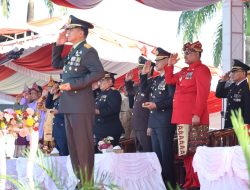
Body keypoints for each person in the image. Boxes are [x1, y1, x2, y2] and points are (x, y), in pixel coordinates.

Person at [52, 15, 104, 184]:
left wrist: (73, 85)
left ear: (81, 32)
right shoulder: (74, 50)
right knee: (74, 147)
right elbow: (56, 63)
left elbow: (98, 73)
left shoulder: (88, 50)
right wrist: (59, 45)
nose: (67, 32)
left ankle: (88, 183)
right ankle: (81, 181)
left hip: (80, 105)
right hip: (69, 105)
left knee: (83, 146)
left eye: (70, 29)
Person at [164, 41, 211, 189]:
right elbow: (169, 80)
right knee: (185, 152)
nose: (185, 55)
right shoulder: (184, 71)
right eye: (185, 52)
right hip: (181, 118)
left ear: (197, 54)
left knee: (195, 151)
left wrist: (197, 114)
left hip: (194, 118)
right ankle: (190, 181)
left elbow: (202, 94)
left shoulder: (202, 70)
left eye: (189, 52)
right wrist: (170, 65)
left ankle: (197, 182)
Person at [140, 48, 176, 188]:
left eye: (158, 60)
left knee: (166, 157)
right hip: (155, 121)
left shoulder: (170, 78)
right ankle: (160, 185)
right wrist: (144, 74)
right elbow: (143, 90)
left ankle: (169, 186)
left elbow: (172, 100)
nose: (155, 63)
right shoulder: (156, 79)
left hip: (165, 121)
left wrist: (157, 105)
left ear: (167, 60)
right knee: (157, 158)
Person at [124, 64, 152, 152]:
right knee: (139, 151)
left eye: (142, 68)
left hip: (145, 124)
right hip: (137, 124)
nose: (140, 71)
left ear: (150, 68)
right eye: (139, 69)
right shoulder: (140, 84)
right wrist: (128, 81)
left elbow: (144, 91)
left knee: (148, 151)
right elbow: (131, 91)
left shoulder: (152, 83)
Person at [93, 72, 124, 150]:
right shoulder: (100, 94)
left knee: (109, 152)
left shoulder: (114, 93)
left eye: (102, 81)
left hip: (109, 131)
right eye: (99, 81)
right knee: (102, 154)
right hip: (100, 130)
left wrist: (98, 111)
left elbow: (114, 109)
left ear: (110, 81)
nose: (100, 83)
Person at [215, 59, 250, 128]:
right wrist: (223, 81)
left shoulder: (247, 87)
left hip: (240, 127)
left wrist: (246, 127)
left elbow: (247, 109)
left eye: (235, 72)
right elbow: (219, 94)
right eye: (232, 72)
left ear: (243, 73)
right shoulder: (233, 86)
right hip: (229, 125)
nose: (232, 74)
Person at [45, 81, 69, 156]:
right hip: (57, 130)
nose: (59, 87)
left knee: (64, 153)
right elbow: (48, 105)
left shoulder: (70, 97)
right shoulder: (59, 98)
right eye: (59, 85)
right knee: (59, 153)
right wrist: (51, 93)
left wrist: (59, 112)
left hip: (64, 129)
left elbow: (71, 112)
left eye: (60, 85)